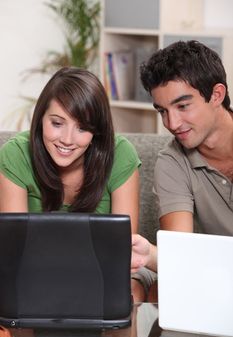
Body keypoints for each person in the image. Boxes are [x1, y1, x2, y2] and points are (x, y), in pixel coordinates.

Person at [0, 66, 146, 300]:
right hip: (31, 275)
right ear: (40, 119)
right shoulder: (15, 154)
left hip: (103, 275)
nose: (67, 140)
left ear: (96, 131)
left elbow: (122, 252)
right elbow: (14, 253)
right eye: (57, 123)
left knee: (129, 291)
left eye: (82, 128)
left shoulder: (120, 154)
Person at [131, 40, 233, 273]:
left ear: (217, 95)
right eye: (162, 111)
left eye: (183, 106)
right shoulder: (171, 162)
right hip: (216, 280)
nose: (172, 124)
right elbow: (182, 257)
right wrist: (150, 254)